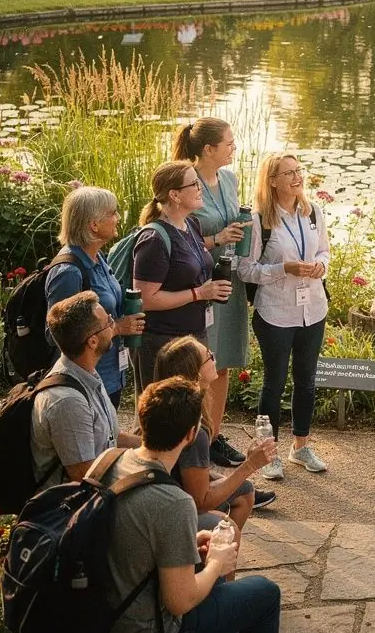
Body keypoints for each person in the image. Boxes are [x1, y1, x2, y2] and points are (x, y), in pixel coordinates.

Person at [81, 377, 299, 633]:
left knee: (201, 559)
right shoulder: (171, 502)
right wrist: (217, 564)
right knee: (264, 595)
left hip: (90, 623)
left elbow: (128, 540)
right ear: (191, 434)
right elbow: (180, 601)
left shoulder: (109, 461)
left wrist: (193, 549)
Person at [238, 152, 330, 480]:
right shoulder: (259, 220)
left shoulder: (313, 212)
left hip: (313, 309)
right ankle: (269, 453)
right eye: (288, 173)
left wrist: (321, 265)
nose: (296, 178)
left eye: (298, 171)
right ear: (272, 180)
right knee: (274, 383)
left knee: (306, 381)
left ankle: (300, 447)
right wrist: (284, 269)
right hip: (276, 312)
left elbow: (324, 251)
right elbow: (245, 270)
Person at [172, 118, 249, 467]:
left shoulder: (230, 179)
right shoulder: (184, 179)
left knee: (224, 363)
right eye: (229, 143)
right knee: (200, 364)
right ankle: (193, 438)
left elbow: (231, 220)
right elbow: (174, 235)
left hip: (230, 282)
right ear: (208, 149)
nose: (234, 147)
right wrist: (216, 239)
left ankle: (214, 436)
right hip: (200, 282)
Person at [154, 336, 276, 528]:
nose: (214, 358)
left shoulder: (161, 406)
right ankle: (213, 553)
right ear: (196, 374)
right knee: (228, 528)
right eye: (208, 356)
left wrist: (218, 477)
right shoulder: (195, 430)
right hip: (172, 514)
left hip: (160, 498)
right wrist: (250, 465)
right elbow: (200, 502)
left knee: (245, 490)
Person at [131, 161, 232, 393]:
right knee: (163, 416)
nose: (200, 188)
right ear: (174, 194)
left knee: (193, 413)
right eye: (194, 183)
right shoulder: (154, 239)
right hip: (163, 344)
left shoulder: (191, 224)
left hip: (194, 337)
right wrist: (199, 293)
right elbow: (146, 299)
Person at [45, 186, 146, 408]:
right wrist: (117, 328)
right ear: (94, 224)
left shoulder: (98, 257)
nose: (118, 217)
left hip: (109, 377)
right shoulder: (69, 272)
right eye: (112, 213)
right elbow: (56, 334)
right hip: (83, 386)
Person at [31, 292, 138, 487]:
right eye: (108, 322)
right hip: (73, 509)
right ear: (93, 342)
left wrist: (152, 446)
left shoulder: (86, 373)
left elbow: (109, 437)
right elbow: (86, 478)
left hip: (97, 496)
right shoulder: (67, 402)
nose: (113, 325)